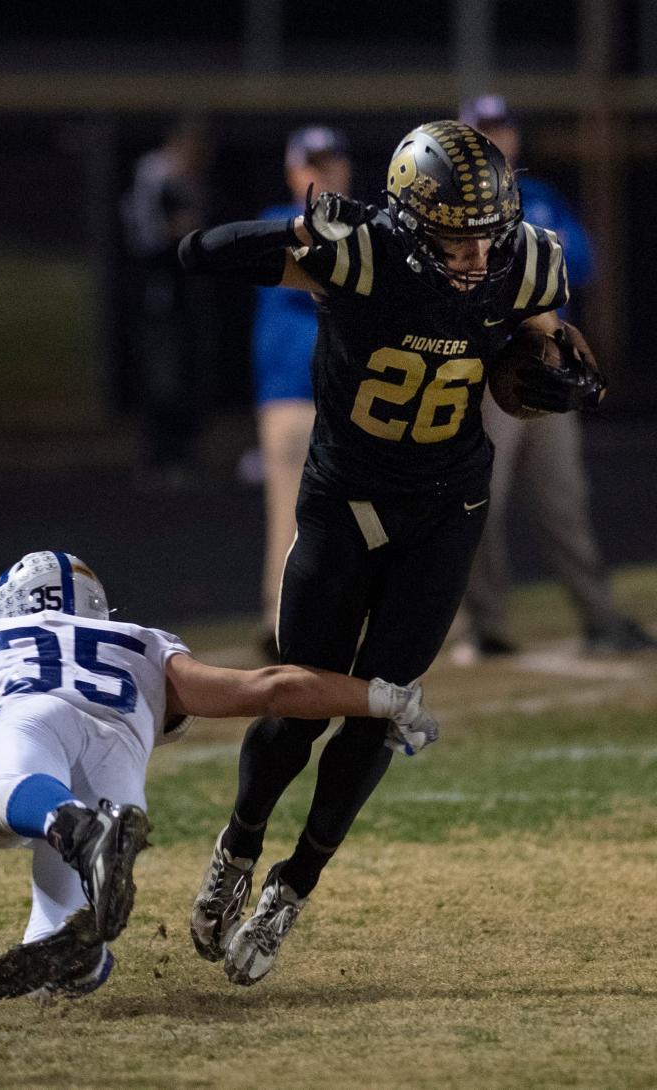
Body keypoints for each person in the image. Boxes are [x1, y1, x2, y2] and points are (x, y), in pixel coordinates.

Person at [178, 119, 605, 985]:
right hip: (343, 501)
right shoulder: (361, 254)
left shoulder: (522, 258)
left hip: (447, 504)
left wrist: (552, 355)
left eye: (489, 235)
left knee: (384, 703)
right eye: (458, 237)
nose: (481, 257)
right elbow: (200, 251)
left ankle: (292, 888)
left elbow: (544, 325)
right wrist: (299, 240)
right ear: (411, 223)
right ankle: (239, 843)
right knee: (300, 706)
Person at [0, 549, 440, 999]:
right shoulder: (143, 643)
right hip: (118, 759)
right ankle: (79, 936)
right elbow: (267, 688)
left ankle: (71, 827)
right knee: (68, 923)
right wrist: (386, 698)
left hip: (30, 725)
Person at [450, 94, 656, 659]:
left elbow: (579, 263)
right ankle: (482, 626)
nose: (497, 137)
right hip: (489, 368)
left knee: (565, 500)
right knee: (479, 500)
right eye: (483, 129)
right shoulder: (455, 205)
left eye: (502, 127)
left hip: (543, 363)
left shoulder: (538, 197)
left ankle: (600, 618)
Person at [251, 125, 353, 659]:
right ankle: (280, 622)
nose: (324, 172)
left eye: (331, 161)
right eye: (312, 163)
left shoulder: (359, 227)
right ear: (294, 173)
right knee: (290, 516)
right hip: (292, 394)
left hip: (351, 396)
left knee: (355, 515)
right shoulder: (278, 223)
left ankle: (340, 622)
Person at [121, 119, 214, 488]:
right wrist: (173, 229)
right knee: (163, 378)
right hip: (158, 297)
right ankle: (159, 458)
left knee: (189, 374)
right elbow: (148, 235)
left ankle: (182, 456)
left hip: (185, 296)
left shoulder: (189, 182)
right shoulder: (155, 176)